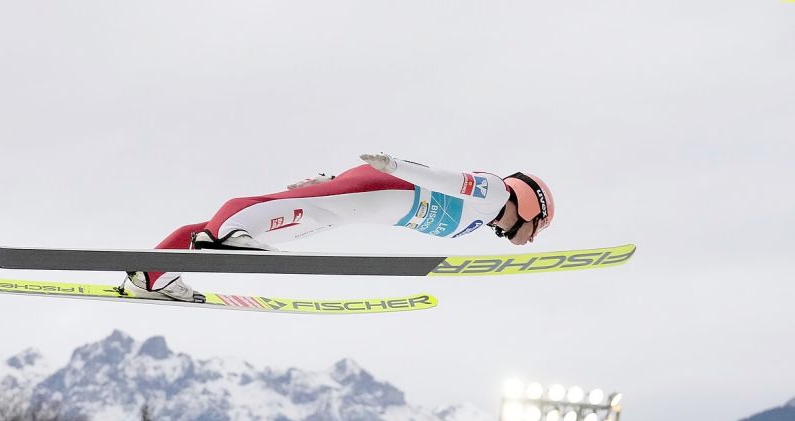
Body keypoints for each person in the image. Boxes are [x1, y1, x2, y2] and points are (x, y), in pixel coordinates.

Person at [119, 153, 555, 302]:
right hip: (385, 187)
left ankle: (151, 275)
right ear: (531, 204)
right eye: (539, 226)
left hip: (368, 201)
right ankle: (228, 236)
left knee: (294, 214)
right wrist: (398, 164)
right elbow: (447, 179)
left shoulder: (481, 216)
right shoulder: (494, 193)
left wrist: (333, 182)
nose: (533, 236)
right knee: (290, 210)